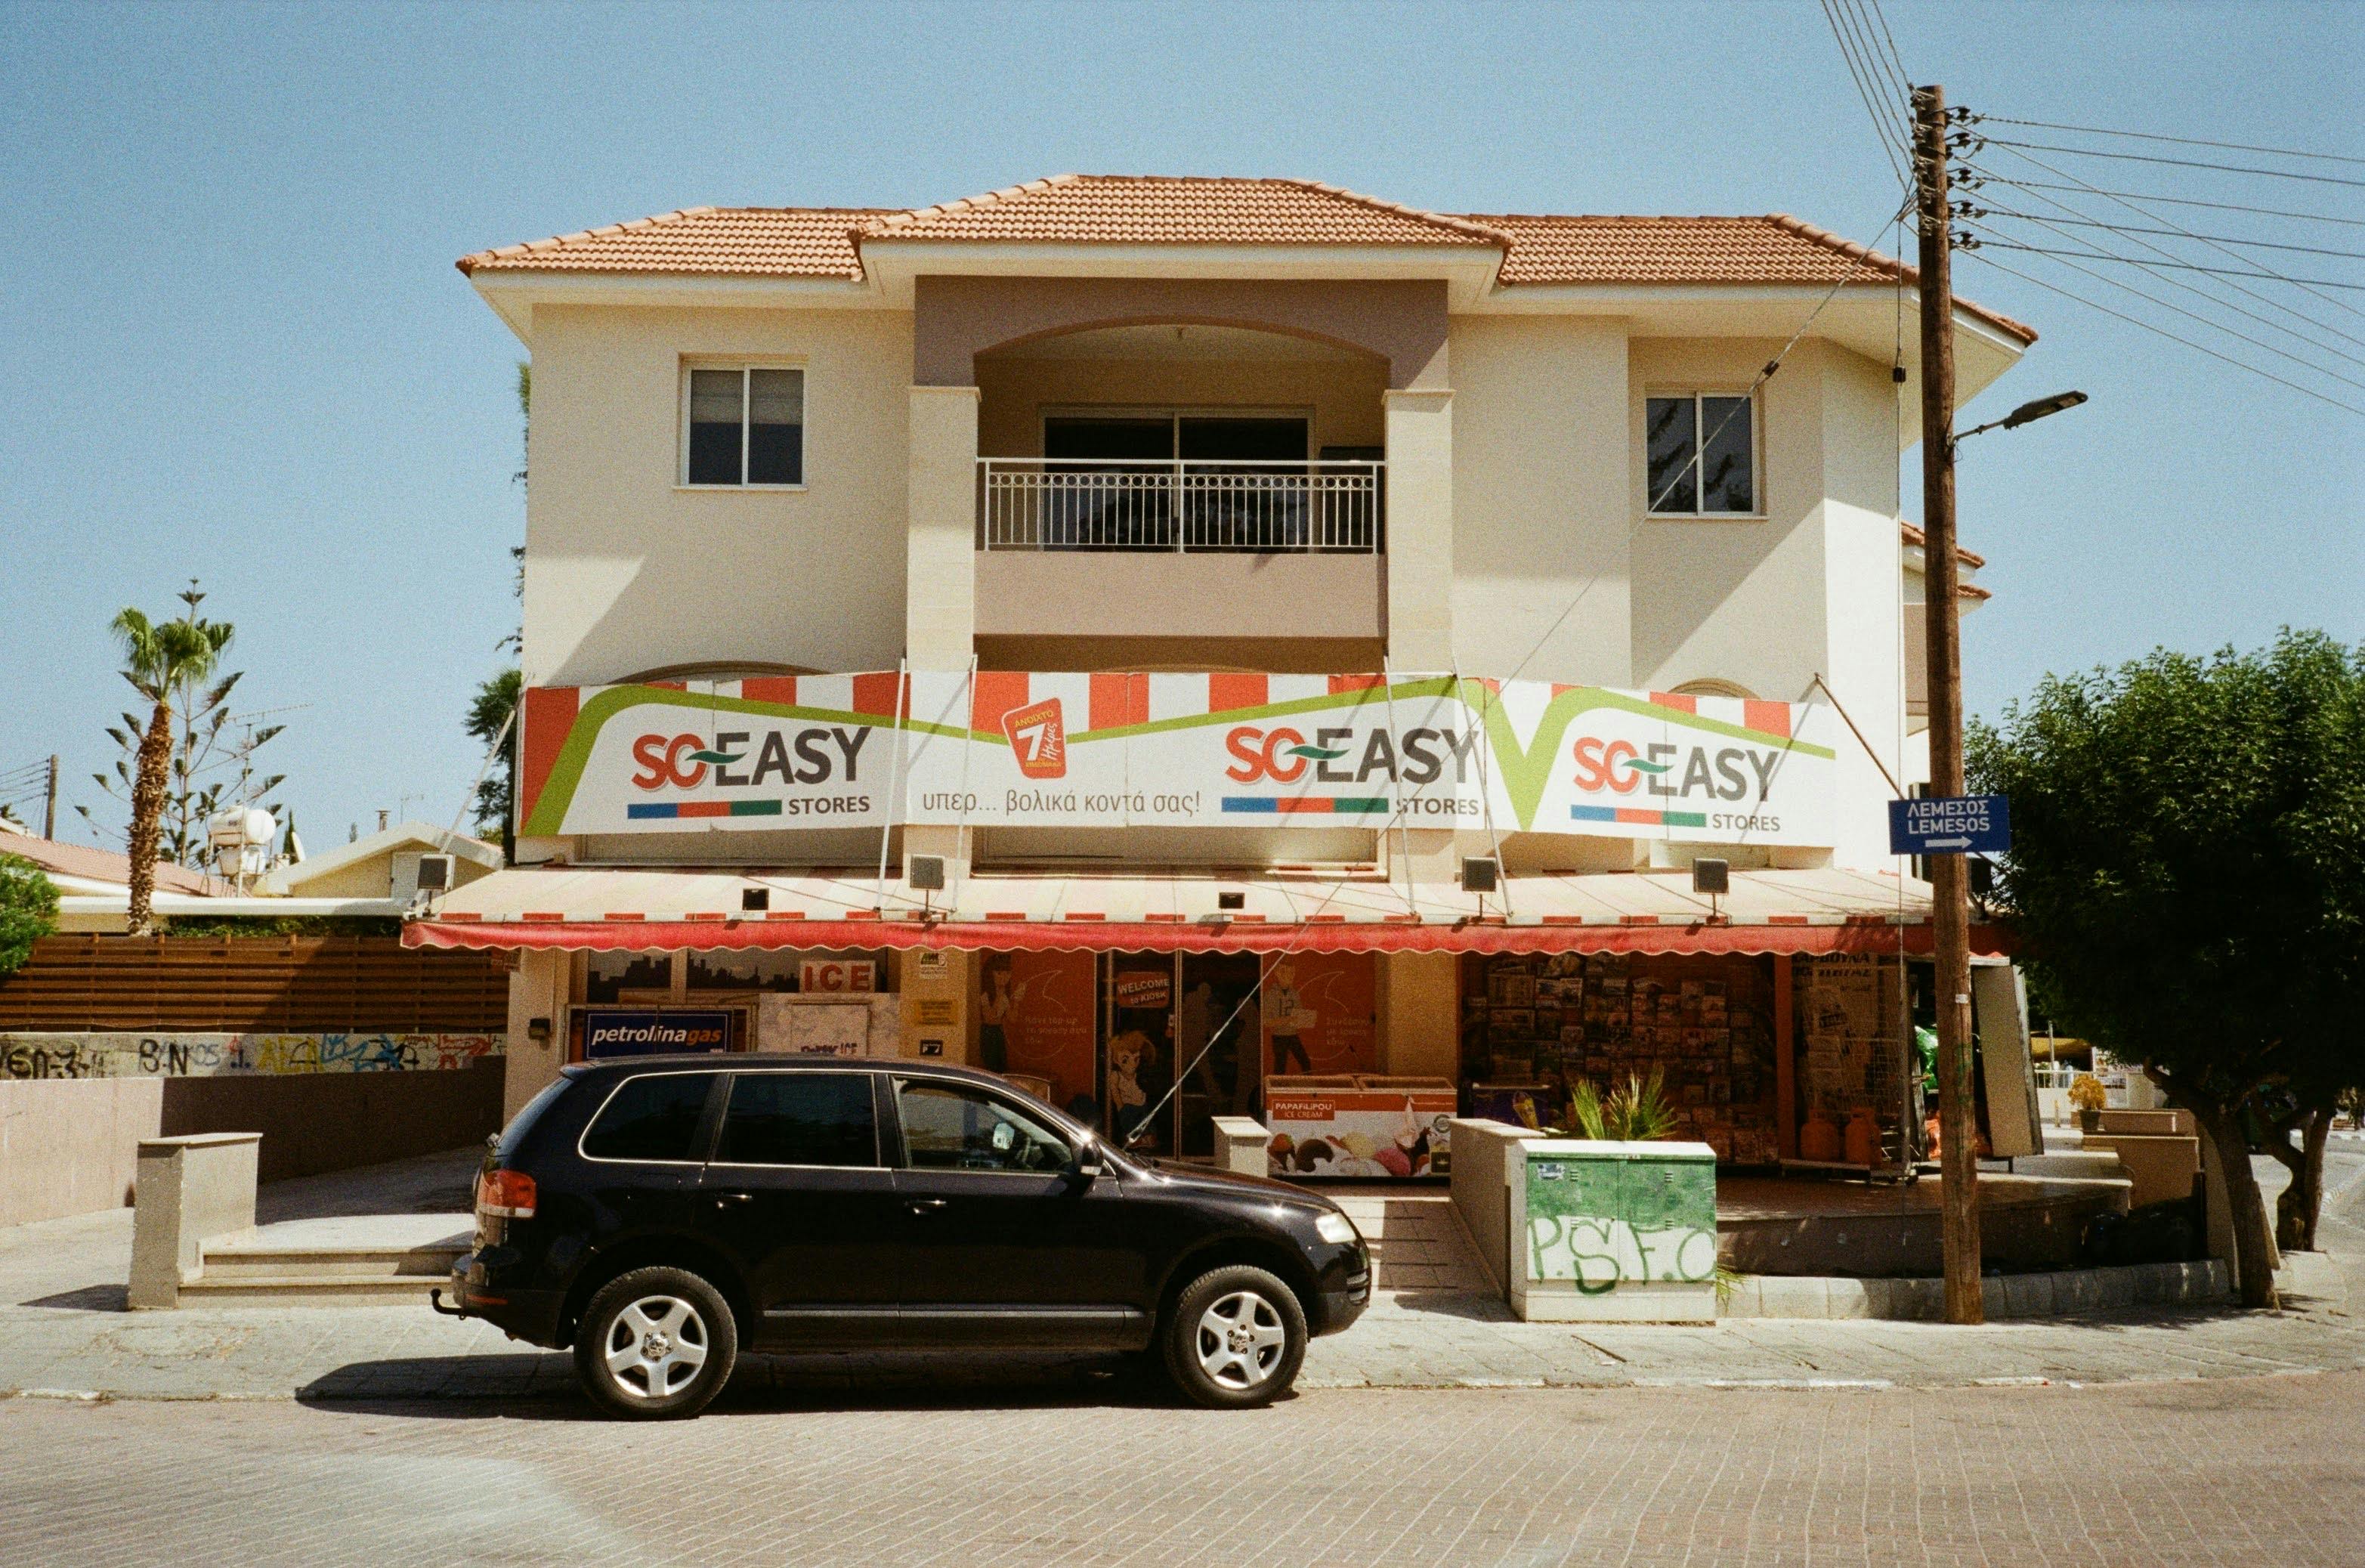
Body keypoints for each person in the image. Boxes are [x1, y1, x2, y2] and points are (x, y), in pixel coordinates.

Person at [1263, 962, 1311, 1076]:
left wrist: (1305, 1019)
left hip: (1293, 1035)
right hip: (1279, 1036)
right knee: (1280, 1067)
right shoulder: (1270, 995)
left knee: (1305, 1062)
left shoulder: (1294, 994)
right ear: (1277, 974)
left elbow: (1299, 1017)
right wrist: (1289, 1019)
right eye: (1284, 972)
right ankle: (1278, 1092)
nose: (1289, 975)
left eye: (1291, 972)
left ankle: (1309, 1091)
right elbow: (1267, 1021)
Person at [977, 958, 1020, 1074]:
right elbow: (989, 1018)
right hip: (988, 1033)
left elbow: (1012, 1019)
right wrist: (999, 997)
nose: (1004, 977)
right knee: (991, 1066)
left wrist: (1017, 1001)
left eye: (1007, 973)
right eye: (999, 973)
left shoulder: (1005, 996)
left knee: (1002, 1066)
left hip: (998, 1032)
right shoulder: (985, 995)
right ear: (991, 974)